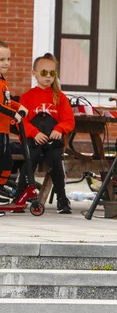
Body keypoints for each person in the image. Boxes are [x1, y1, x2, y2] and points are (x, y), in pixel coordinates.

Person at [19, 53, 75, 214]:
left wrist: (59, 129)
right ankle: (20, 196)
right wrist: (34, 132)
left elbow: (69, 120)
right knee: (29, 161)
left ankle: (62, 199)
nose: (48, 76)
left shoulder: (60, 97)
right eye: (44, 72)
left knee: (56, 162)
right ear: (34, 73)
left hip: (52, 141)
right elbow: (21, 121)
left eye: (52, 73)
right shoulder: (27, 97)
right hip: (34, 140)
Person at [0, 41, 27, 188]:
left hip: (3, 130)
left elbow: (7, 101)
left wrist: (20, 106)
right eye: (1, 60)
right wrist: (13, 114)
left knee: (7, 163)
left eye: (8, 59)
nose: (6, 63)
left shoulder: (3, 82)